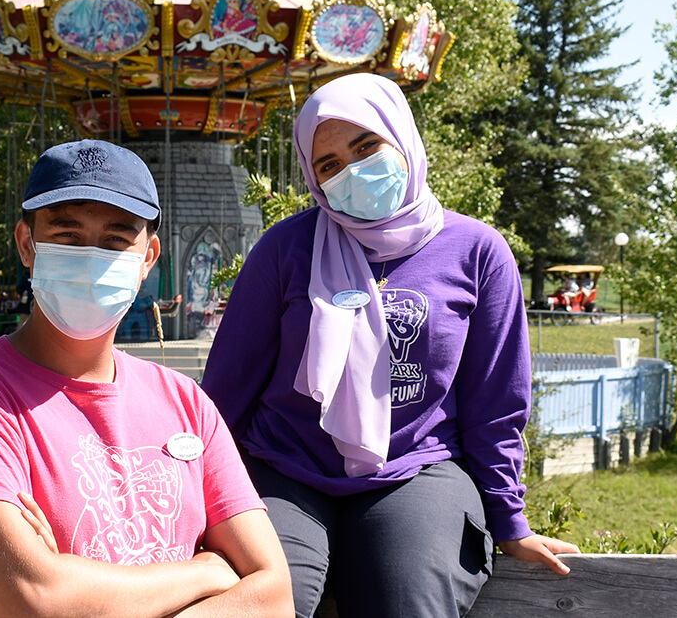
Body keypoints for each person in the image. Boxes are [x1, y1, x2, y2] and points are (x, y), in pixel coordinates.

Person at [200, 73, 579, 618]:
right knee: (265, 600)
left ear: (400, 137)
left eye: (365, 146)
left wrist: (509, 520)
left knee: (408, 600)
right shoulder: (285, 249)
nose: (351, 171)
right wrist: (198, 501)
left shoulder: (477, 251)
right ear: (313, 178)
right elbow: (226, 392)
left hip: (416, 469)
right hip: (286, 469)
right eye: (329, 164)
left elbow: (497, 403)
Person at [0, 139, 292, 618]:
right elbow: (37, 598)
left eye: (115, 239)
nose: (91, 257)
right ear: (28, 244)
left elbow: (273, 594)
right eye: (67, 235)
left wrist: (76, 583)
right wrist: (205, 572)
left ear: (147, 257)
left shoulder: (186, 404)